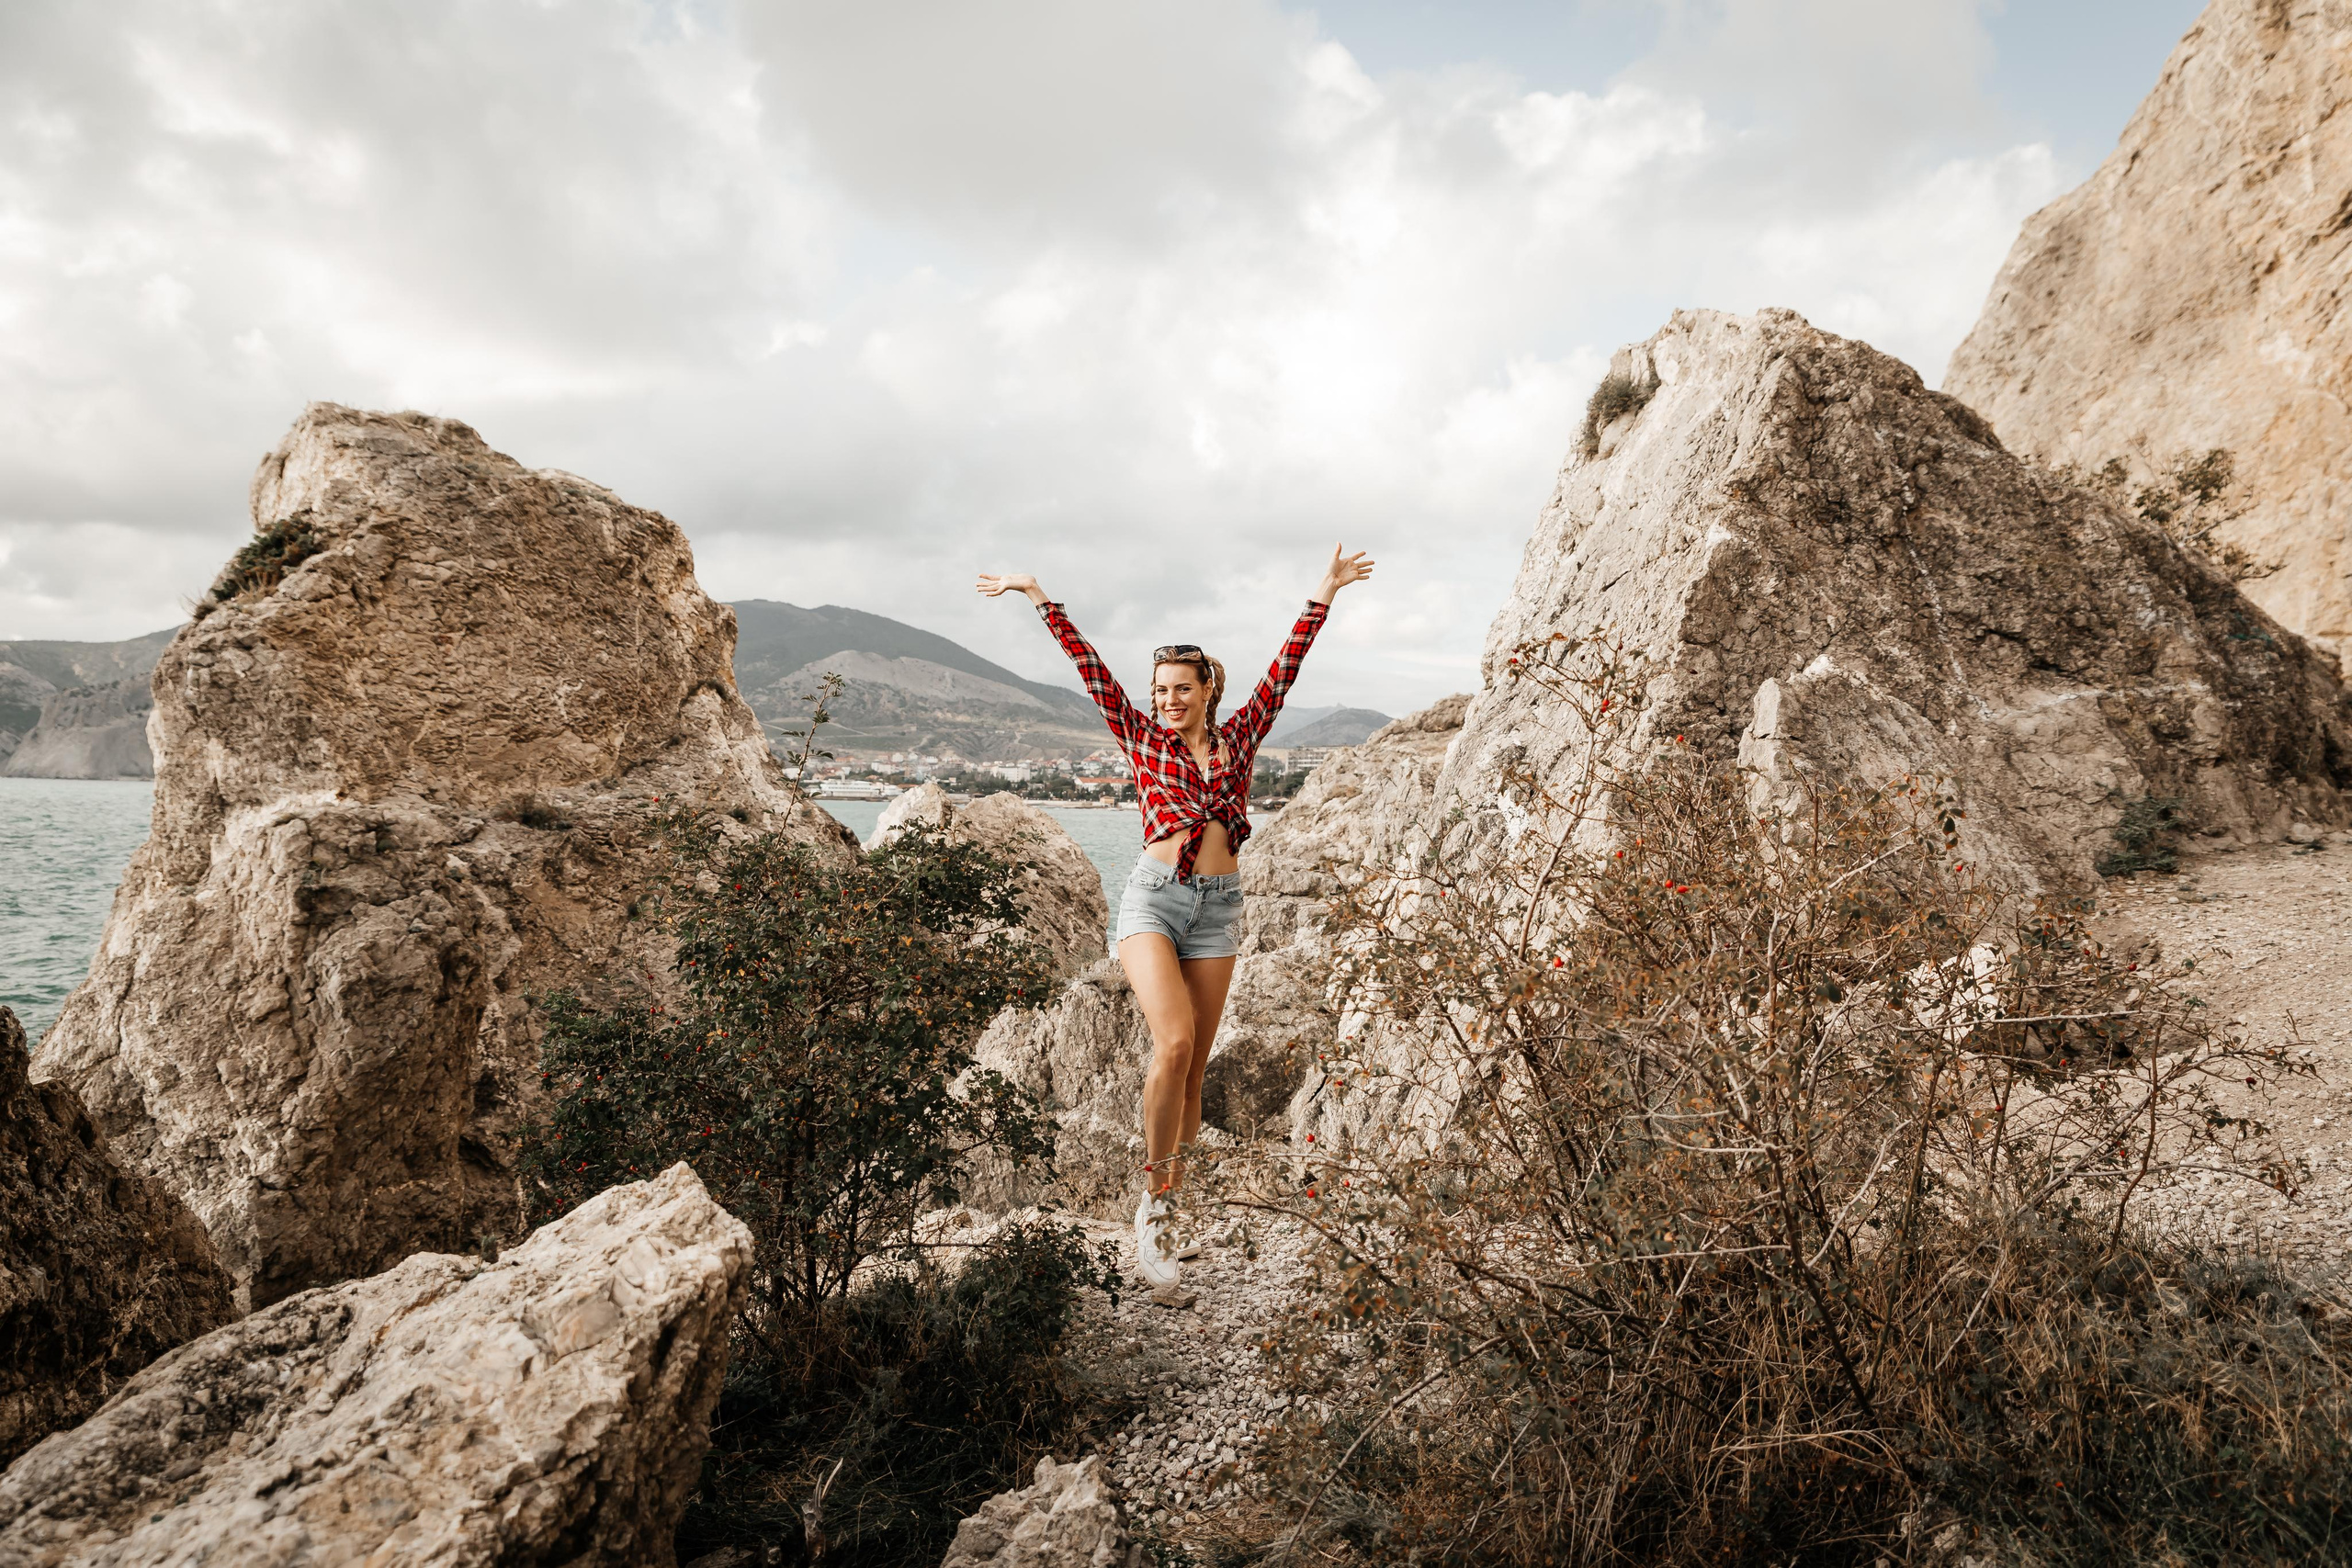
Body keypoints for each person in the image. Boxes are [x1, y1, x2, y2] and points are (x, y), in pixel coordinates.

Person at [978, 546, 1374, 1287]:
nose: (1167, 699)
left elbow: (1285, 669)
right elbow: (1090, 668)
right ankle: (1152, 1207)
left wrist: (1326, 588)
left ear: (1206, 689)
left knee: (1193, 1072)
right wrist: (1037, 595)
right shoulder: (1142, 738)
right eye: (1160, 689)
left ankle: (1169, 1201)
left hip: (1218, 910)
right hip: (1152, 901)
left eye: (1180, 688)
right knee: (1175, 1042)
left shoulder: (1240, 736)